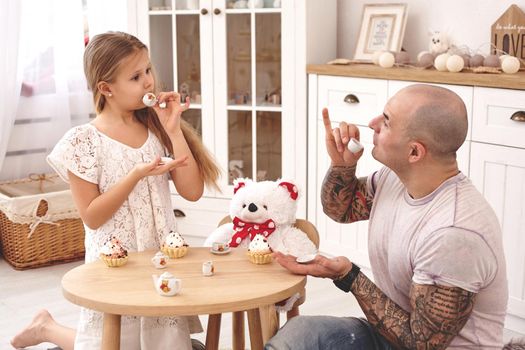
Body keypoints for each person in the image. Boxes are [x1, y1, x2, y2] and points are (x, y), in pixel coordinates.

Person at [11, 31, 220, 350]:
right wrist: (135, 175)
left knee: (163, 342)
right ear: (106, 88)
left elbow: (192, 192)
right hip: (114, 264)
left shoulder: (157, 128)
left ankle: (49, 327)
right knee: (110, 343)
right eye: (136, 76)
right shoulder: (82, 142)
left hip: (159, 258)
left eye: (148, 70)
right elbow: (92, 217)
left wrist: (174, 130)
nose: (149, 82)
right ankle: (47, 329)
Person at [266, 84, 509, 349]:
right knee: (300, 333)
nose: (372, 124)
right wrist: (342, 165)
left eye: (387, 121)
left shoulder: (454, 233)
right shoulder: (394, 179)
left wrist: (348, 275)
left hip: (418, 345)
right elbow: (341, 210)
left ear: (414, 152)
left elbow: (420, 343)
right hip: (391, 338)